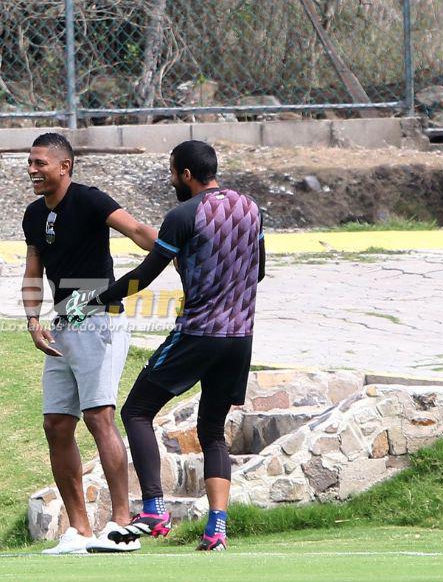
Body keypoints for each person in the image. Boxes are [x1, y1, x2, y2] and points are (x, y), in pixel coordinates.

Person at [65, 140, 265, 551]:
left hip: (198, 333)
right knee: (212, 431)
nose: (171, 179)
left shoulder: (182, 215)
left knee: (136, 410)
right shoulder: (250, 208)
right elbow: (258, 271)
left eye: (173, 172)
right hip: (241, 337)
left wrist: (100, 298)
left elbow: (147, 272)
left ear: (186, 174)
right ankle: (217, 529)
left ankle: (154, 508)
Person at [21, 132, 158, 554]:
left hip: (101, 321)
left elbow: (138, 231)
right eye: (30, 163)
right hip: (63, 324)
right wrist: (32, 320)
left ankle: (120, 523)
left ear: (64, 166)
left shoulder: (91, 200)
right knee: (56, 424)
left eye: (40, 163)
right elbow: (32, 272)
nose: (32, 170)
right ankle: (78, 530)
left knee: (98, 416)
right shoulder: (32, 215)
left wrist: (177, 254)